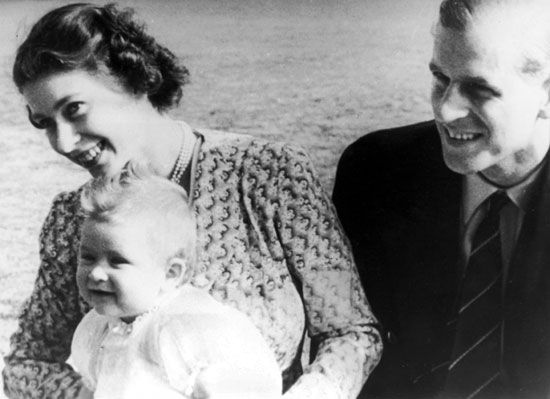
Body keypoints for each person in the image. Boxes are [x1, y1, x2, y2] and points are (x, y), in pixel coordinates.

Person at [2, 3, 382, 399]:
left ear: (135, 81)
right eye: (45, 123)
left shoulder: (269, 175)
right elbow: (29, 363)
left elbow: (351, 333)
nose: (62, 142)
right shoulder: (72, 220)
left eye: (74, 109)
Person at [333, 0, 550, 398]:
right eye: (440, 78)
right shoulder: (375, 173)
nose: (446, 109)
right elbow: (352, 341)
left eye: (479, 89)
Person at [71, 165, 282, 399]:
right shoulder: (99, 327)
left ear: (170, 274)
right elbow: (92, 389)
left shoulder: (187, 329)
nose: (96, 274)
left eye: (117, 261)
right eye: (88, 258)